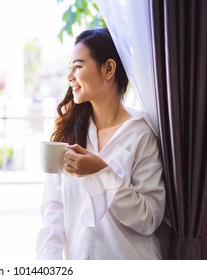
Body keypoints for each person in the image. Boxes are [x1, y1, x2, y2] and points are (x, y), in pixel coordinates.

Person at [36, 28, 166, 259]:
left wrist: (102, 173)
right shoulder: (69, 133)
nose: (70, 77)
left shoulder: (141, 134)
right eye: (70, 68)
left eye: (78, 66)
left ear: (108, 69)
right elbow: (53, 210)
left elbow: (149, 220)